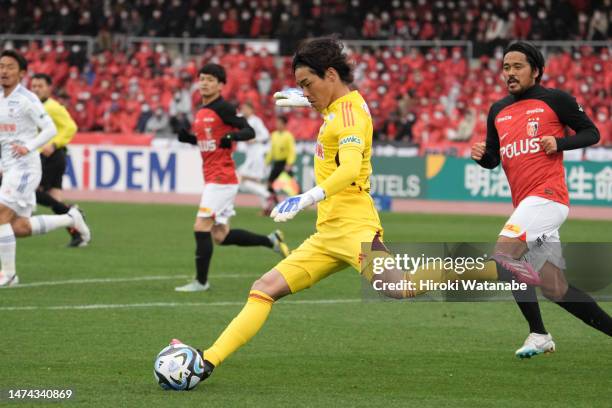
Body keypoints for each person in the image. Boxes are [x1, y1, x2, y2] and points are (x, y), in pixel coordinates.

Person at [173, 38, 534, 382]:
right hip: (327, 234)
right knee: (264, 288)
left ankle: (492, 266)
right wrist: (304, 97)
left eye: (307, 83)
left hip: (354, 229)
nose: (305, 91)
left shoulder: (347, 116)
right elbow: (334, 104)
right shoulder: (341, 104)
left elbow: (347, 168)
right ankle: (207, 361)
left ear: (330, 75)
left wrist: (305, 197)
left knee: (400, 288)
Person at [471, 41, 612, 358]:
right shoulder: (498, 110)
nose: (510, 73)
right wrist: (483, 157)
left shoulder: (555, 100)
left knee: (504, 254)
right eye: (506, 67)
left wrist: (559, 142)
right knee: (555, 288)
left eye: (517, 66)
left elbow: (592, 133)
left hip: (548, 197)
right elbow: (495, 158)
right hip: (527, 205)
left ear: (535, 70)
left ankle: (537, 333)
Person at [174, 63, 289, 293]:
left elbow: (249, 131)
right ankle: (272, 240)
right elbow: (206, 141)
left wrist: (231, 135)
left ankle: (201, 282)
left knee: (201, 226)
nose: (204, 82)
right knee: (220, 235)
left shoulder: (223, 108)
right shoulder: (201, 111)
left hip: (222, 178)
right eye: (202, 78)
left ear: (220, 85)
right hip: (214, 177)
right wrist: (187, 138)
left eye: (210, 79)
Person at [0, 50, 90, 287]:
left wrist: (28, 147)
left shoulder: (28, 99)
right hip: (9, 168)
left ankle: (8, 275)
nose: (4, 71)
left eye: (9, 67)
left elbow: (49, 129)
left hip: (25, 167)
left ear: (21, 73)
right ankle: (71, 218)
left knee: (0, 215)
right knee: (17, 227)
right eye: (1, 66)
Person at [30, 73, 88, 248]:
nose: (36, 89)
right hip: (51, 157)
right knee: (55, 197)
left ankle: (73, 213)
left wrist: (54, 145)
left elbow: (71, 127)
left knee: (33, 191)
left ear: (49, 88)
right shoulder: (35, 106)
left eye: (40, 86)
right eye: (34, 86)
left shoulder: (53, 107)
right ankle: (77, 234)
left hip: (52, 156)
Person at [236, 101, 272, 213]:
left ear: (251, 110)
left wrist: (254, 139)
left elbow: (266, 135)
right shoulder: (245, 120)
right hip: (251, 155)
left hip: (256, 155)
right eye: (242, 108)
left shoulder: (256, 121)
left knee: (240, 177)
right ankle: (266, 207)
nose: (243, 111)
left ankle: (267, 195)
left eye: (245, 108)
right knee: (253, 182)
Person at [265, 115, 296, 212]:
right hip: (277, 163)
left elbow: (292, 151)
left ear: (284, 124)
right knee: (270, 184)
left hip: (284, 163)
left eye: (279, 123)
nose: (277, 125)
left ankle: (299, 203)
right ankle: (275, 203)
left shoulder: (288, 136)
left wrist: (289, 163)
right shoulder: (274, 135)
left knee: (291, 186)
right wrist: (267, 160)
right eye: (277, 122)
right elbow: (272, 150)